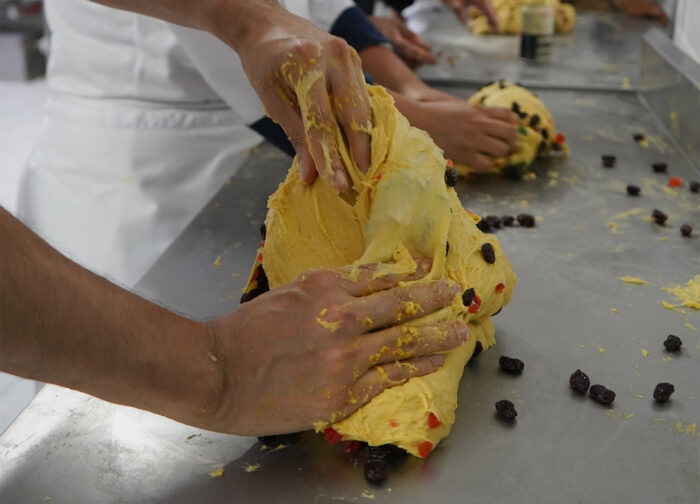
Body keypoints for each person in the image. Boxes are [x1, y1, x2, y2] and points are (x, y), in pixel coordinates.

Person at [0, 0, 468, 435]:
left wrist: (401, 87)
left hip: (247, 153)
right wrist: (219, 371)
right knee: (114, 429)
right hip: (135, 185)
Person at [17, 0, 516, 287]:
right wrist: (412, 124)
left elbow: (313, 8)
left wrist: (410, 89)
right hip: (144, 178)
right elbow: (263, 52)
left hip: (252, 144)